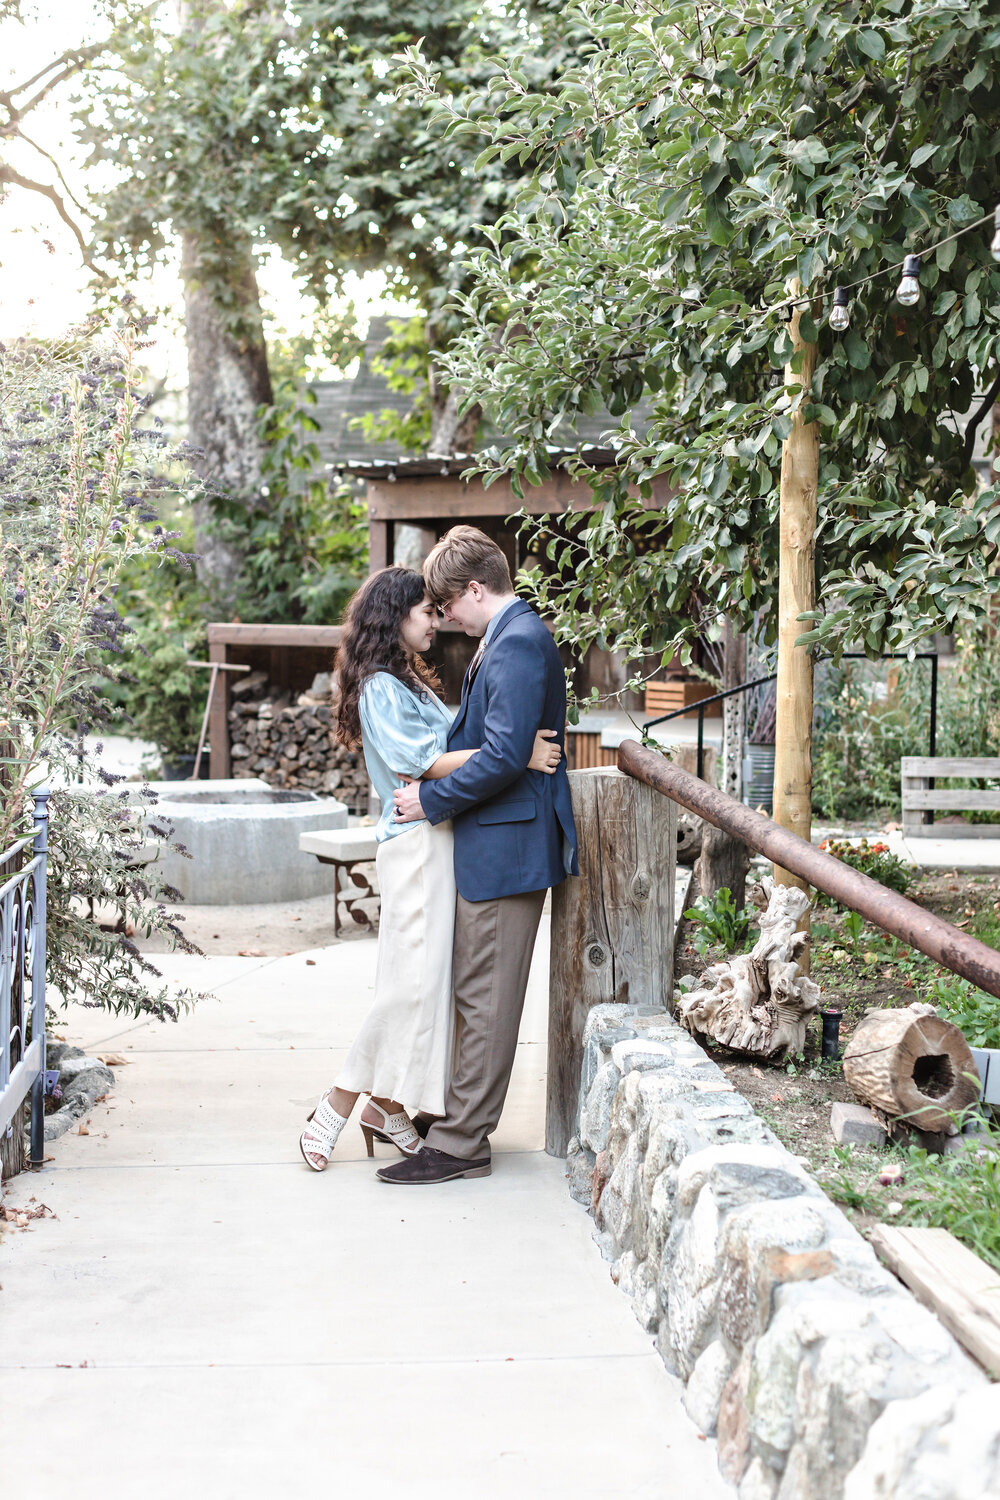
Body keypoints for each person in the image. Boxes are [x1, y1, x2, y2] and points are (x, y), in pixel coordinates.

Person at [298, 565, 562, 1171]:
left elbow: (448, 747)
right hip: (414, 844)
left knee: (430, 989)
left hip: (439, 839)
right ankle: (337, 1103)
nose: (435, 620)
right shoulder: (380, 688)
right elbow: (423, 759)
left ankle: (387, 1108)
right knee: (407, 988)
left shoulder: (408, 683)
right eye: (424, 611)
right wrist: (517, 754)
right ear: (394, 619)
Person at [379, 526, 578, 1186]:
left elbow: (500, 755)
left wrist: (429, 803)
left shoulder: (518, 641)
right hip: (495, 841)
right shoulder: (508, 638)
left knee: (487, 997)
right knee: (474, 989)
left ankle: (464, 1142)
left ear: (473, 589)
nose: (445, 619)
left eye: (448, 605)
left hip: (509, 843)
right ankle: (460, 1120)